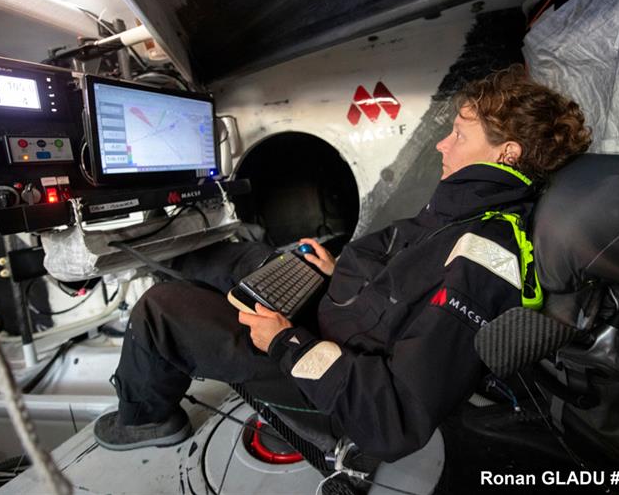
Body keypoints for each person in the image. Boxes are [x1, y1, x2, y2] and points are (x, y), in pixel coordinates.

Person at [93, 64, 592, 460]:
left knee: (161, 309)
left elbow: (397, 417)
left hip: (325, 383)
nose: (442, 143)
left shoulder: (486, 255)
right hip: (338, 318)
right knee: (236, 257)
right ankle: (207, 326)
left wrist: (285, 341)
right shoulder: (468, 209)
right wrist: (341, 274)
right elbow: (405, 288)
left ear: (506, 152)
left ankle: (144, 420)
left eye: (459, 134)